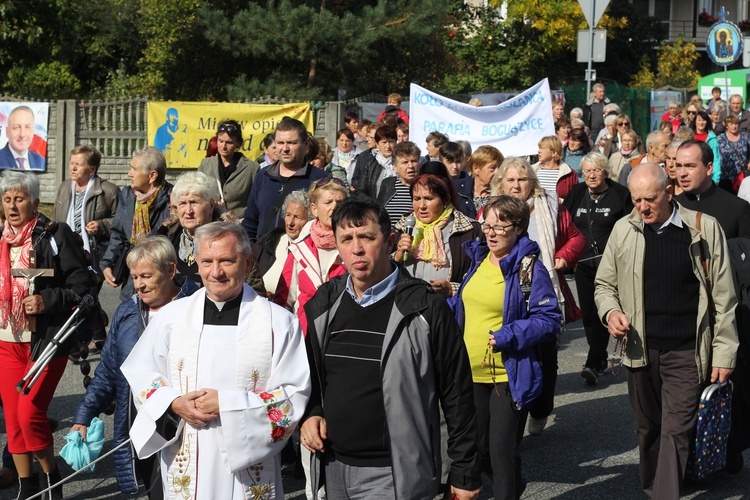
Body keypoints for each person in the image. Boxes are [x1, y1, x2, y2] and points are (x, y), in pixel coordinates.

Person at [300, 196, 481, 500]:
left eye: (367, 237)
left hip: (394, 474)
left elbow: (458, 396)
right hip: (332, 467)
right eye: (346, 239)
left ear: (390, 241)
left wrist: (464, 472)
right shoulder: (324, 303)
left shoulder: (425, 309)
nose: (356, 248)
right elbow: (311, 377)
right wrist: (312, 412)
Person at [122, 222, 311, 499]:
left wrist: (227, 404)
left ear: (247, 263)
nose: (216, 272)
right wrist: (173, 403)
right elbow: (142, 374)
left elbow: (293, 397)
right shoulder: (171, 318)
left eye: (227, 261)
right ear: (196, 263)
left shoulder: (279, 323)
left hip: (248, 463)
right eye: (207, 262)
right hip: (185, 449)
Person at [594, 163, 738, 499]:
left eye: (650, 199)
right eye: (635, 200)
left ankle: (664, 494)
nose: (642, 207)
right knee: (649, 430)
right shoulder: (623, 230)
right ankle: (655, 487)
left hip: (687, 349)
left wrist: (724, 351)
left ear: (669, 192)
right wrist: (611, 311)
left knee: (677, 430)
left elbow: (724, 297)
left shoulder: (703, 228)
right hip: (639, 350)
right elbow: (604, 284)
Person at [449, 195, 561, 499]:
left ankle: (507, 490)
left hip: (507, 375)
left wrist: (509, 334)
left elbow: (550, 318)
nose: (492, 232)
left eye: (501, 226)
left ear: (519, 228)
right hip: (470, 373)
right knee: (480, 448)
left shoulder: (529, 268)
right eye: (488, 225)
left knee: (501, 450)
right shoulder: (479, 259)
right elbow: (467, 305)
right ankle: (511, 483)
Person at [72, 236, 199, 498]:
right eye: (135, 277)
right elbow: (108, 371)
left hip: (190, 426)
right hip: (142, 427)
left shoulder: (198, 306)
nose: (139, 285)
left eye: (147, 276)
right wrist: (83, 417)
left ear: (171, 270)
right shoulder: (127, 312)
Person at [0, 171, 92, 499]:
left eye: (19, 199)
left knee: (29, 415)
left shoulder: (55, 235)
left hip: (46, 343)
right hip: (6, 343)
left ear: (36, 202)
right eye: (7, 199)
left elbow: (82, 285)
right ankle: (27, 487)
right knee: (13, 420)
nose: (12, 205)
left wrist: (45, 299)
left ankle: (53, 479)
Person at [491, 157, 585, 435]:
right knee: (510, 357)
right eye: (511, 179)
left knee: (545, 359)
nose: (517, 184)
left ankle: (541, 406)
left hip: (541, 295)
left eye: (522, 179)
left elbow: (576, 238)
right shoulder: (490, 213)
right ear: (500, 183)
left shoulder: (551, 208)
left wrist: (562, 257)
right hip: (502, 297)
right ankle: (511, 418)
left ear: (532, 182)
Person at [563, 152, 632, 385]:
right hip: (582, 264)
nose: (591, 175)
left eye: (596, 170)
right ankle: (600, 359)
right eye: (587, 171)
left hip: (610, 266)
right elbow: (564, 221)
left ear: (605, 172)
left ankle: (592, 362)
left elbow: (631, 226)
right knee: (589, 316)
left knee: (603, 310)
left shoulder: (620, 195)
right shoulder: (577, 193)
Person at [274, 178, 348, 333]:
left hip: (342, 335)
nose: (334, 207)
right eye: (328, 202)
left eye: (339, 203)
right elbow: (283, 301)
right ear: (314, 209)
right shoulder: (299, 249)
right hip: (305, 336)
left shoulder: (354, 247)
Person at [100, 147, 173, 301]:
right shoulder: (127, 195)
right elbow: (118, 233)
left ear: (152, 176)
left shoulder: (171, 198)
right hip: (131, 278)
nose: (129, 173)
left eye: (134, 169)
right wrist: (107, 263)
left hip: (159, 279)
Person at [394, 173, 482, 298]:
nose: (422, 206)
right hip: (406, 304)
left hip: (446, 307)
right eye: (417, 199)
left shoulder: (469, 231)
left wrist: (452, 289)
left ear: (445, 200)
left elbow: (479, 277)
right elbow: (382, 272)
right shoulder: (403, 227)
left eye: (428, 198)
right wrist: (397, 256)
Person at [241, 118, 329, 241]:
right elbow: (250, 222)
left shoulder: (321, 180)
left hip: (301, 255)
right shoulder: (263, 176)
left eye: (292, 143)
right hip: (264, 255)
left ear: (306, 144)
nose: (285, 148)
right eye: (280, 143)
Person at [52, 145, 120, 271]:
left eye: (78, 164)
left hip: (93, 253)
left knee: (89, 288)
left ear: (92, 169)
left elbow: (121, 222)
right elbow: (55, 219)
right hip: (65, 251)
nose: (73, 168)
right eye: (71, 163)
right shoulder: (64, 187)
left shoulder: (109, 191)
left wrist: (101, 225)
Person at [156, 171, 228, 286]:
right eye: (182, 204)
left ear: (211, 206)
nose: (188, 211)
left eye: (194, 202)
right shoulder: (166, 239)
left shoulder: (229, 240)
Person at [674, 139, 750, 239]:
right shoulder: (672, 208)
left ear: (709, 168)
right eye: (679, 166)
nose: (682, 173)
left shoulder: (738, 208)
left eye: (690, 166)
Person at [250, 190, 313, 297]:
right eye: (288, 215)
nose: (290, 223)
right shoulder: (267, 242)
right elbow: (249, 278)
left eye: (297, 217)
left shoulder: (312, 251)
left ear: (310, 220)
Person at [197, 120, 259, 219]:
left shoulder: (252, 168)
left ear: (238, 143)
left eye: (229, 142)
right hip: (210, 222)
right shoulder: (206, 164)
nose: (223, 146)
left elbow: (256, 201)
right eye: (220, 141)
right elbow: (197, 192)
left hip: (238, 224)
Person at [455, 145, 504, 219]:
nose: (497, 171)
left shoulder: (502, 193)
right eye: (492, 168)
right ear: (476, 169)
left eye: (499, 167)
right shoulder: (456, 189)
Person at [378, 141, 420, 225]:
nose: (410, 166)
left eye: (414, 161)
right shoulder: (387, 184)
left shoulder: (424, 187)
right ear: (395, 168)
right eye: (405, 162)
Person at [350, 125, 397, 198]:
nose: (388, 146)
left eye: (390, 142)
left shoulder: (401, 163)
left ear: (395, 143)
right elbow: (361, 190)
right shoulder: (370, 164)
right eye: (384, 142)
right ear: (377, 144)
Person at [533, 135, 577, 201]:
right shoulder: (531, 171)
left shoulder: (569, 173)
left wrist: (561, 202)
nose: (539, 151)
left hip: (560, 210)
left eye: (542, 148)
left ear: (554, 153)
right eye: (539, 148)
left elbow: (575, 198)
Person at [0, 106, 45, 170]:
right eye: (16, 128)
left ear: (33, 132)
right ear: (7, 132)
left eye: (27, 127)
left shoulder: (40, 160)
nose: (22, 134)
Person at [717, 114, 750, 192]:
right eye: (731, 124)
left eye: (736, 123)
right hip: (725, 177)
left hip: (742, 175)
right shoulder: (720, 139)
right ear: (726, 125)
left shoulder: (745, 137)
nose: (734, 126)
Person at [688, 110, 721, 183]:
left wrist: (716, 178)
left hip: (707, 175)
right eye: (699, 120)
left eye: (703, 120)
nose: (701, 123)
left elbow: (716, 159)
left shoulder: (712, 138)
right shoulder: (689, 136)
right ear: (695, 122)